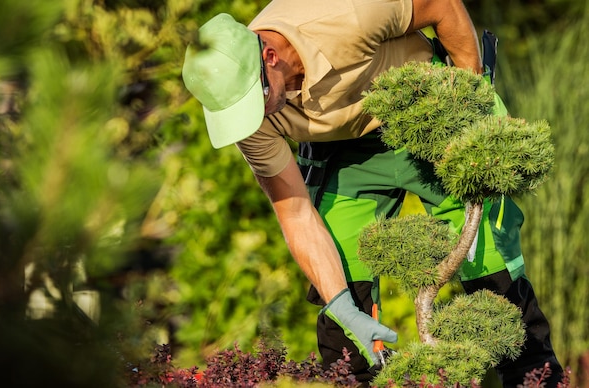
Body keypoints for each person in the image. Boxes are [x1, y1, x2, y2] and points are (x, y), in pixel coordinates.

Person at [181, 1, 563, 386]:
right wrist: (344, 309)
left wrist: (470, 100)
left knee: (496, 281)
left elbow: (442, 6)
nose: (254, 116)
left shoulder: (345, 13)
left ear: (270, 56)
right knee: (341, 317)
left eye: (256, 99)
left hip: (424, 109)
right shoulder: (247, 117)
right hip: (342, 150)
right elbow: (295, 213)